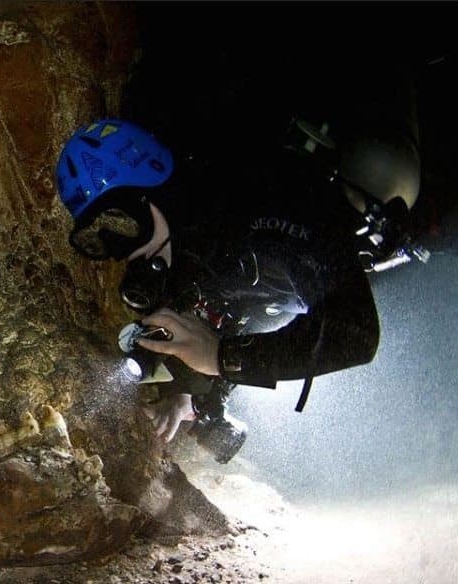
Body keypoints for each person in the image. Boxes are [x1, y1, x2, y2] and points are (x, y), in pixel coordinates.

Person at [54, 117, 398, 462]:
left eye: (122, 223)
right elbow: (215, 320)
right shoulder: (179, 243)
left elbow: (355, 333)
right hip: (273, 300)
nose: (125, 252)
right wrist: (185, 392)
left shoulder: (270, 207)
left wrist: (222, 356)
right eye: (101, 239)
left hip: (332, 271)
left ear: (153, 193)